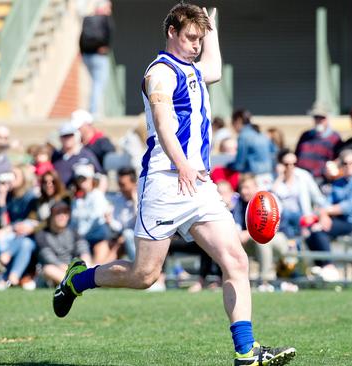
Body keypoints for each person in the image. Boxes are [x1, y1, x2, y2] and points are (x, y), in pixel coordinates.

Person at [52, 4, 295, 365]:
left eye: (200, 38)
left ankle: (246, 352)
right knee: (144, 275)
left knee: (236, 261)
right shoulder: (160, 74)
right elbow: (165, 125)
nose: (197, 45)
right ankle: (77, 281)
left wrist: (212, 27)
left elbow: (213, 69)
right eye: (190, 37)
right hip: (165, 183)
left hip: (198, 184)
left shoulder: (194, 68)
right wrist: (182, 164)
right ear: (171, 32)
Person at [307, 149, 352, 281]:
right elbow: (326, 204)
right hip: (340, 221)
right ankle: (323, 268)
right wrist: (323, 215)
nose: (349, 166)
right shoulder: (339, 182)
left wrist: (325, 212)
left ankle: (329, 267)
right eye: (345, 163)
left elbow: (348, 206)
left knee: (319, 230)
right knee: (313, 232)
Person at [271, 149, 326, 240]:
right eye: (286, 164)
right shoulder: (274, 179)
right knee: (285, 215)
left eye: (294, 164)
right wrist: (280, 177)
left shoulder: (303, 176)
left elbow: (317, 197)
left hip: (301, 217)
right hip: (281, 219)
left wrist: (323, 213)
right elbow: (271, 196)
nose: (290, 167)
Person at [37, 201, 91, 286]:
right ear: (51, 216)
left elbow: (83, 248)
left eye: (65, 213)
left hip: (74, 270)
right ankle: (77, 285)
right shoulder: (42, 234)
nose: (62, 216)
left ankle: (78, 284)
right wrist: (69, 269)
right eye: (58, 213)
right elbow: (48, 258)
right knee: (49, 269)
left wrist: (85, 264)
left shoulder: (73, 232)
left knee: (94, 266)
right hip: (55, 271)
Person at [80, 0, 114, 117]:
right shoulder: (105, 19)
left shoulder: (87, 19)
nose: (110, 11)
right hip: (99, 56)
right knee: (98, 83)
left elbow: (80, 38)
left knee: (95, 83)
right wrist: (104, 47)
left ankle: (92, 109)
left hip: (86, 56)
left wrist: (83, 52)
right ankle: (94, 112)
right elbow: (109, 35)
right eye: (108, 8)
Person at [227, 108, 275, 190]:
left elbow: (239, 165)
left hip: (255, 179)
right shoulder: (261, 134)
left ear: (238, 121)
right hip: (270, 177)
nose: (232, 126)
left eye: (233, 123)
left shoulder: (244, 136)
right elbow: (274, 152)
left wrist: (228, 166)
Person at [295, 103, 342, 183]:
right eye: (316, 117)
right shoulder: (305, 135)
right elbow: (296, 156)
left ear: (327, 118)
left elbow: (336, 162)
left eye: (322, 117)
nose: (319, 120)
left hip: (320, 179)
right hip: (300, 176)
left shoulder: (335, 138)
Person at [52, 121, 103, 187]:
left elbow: (100, 175)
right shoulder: (55, 155)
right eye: (64, 136)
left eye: (70, 135)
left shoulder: (86, 154)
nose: (67, 138)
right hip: (60, 193)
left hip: (80, 195)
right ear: (60, 138)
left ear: (75, 135)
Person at [106, 167, 137, 260]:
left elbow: (141, 222)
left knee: (127, 234)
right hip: (123, 237)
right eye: (119, 184)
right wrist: (110, 221)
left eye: (123, 184)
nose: (121, 188)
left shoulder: (143, 197)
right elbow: (119, 226)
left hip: (140, 237)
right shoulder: (118, 200)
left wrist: (135, 201)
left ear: (134, 183)